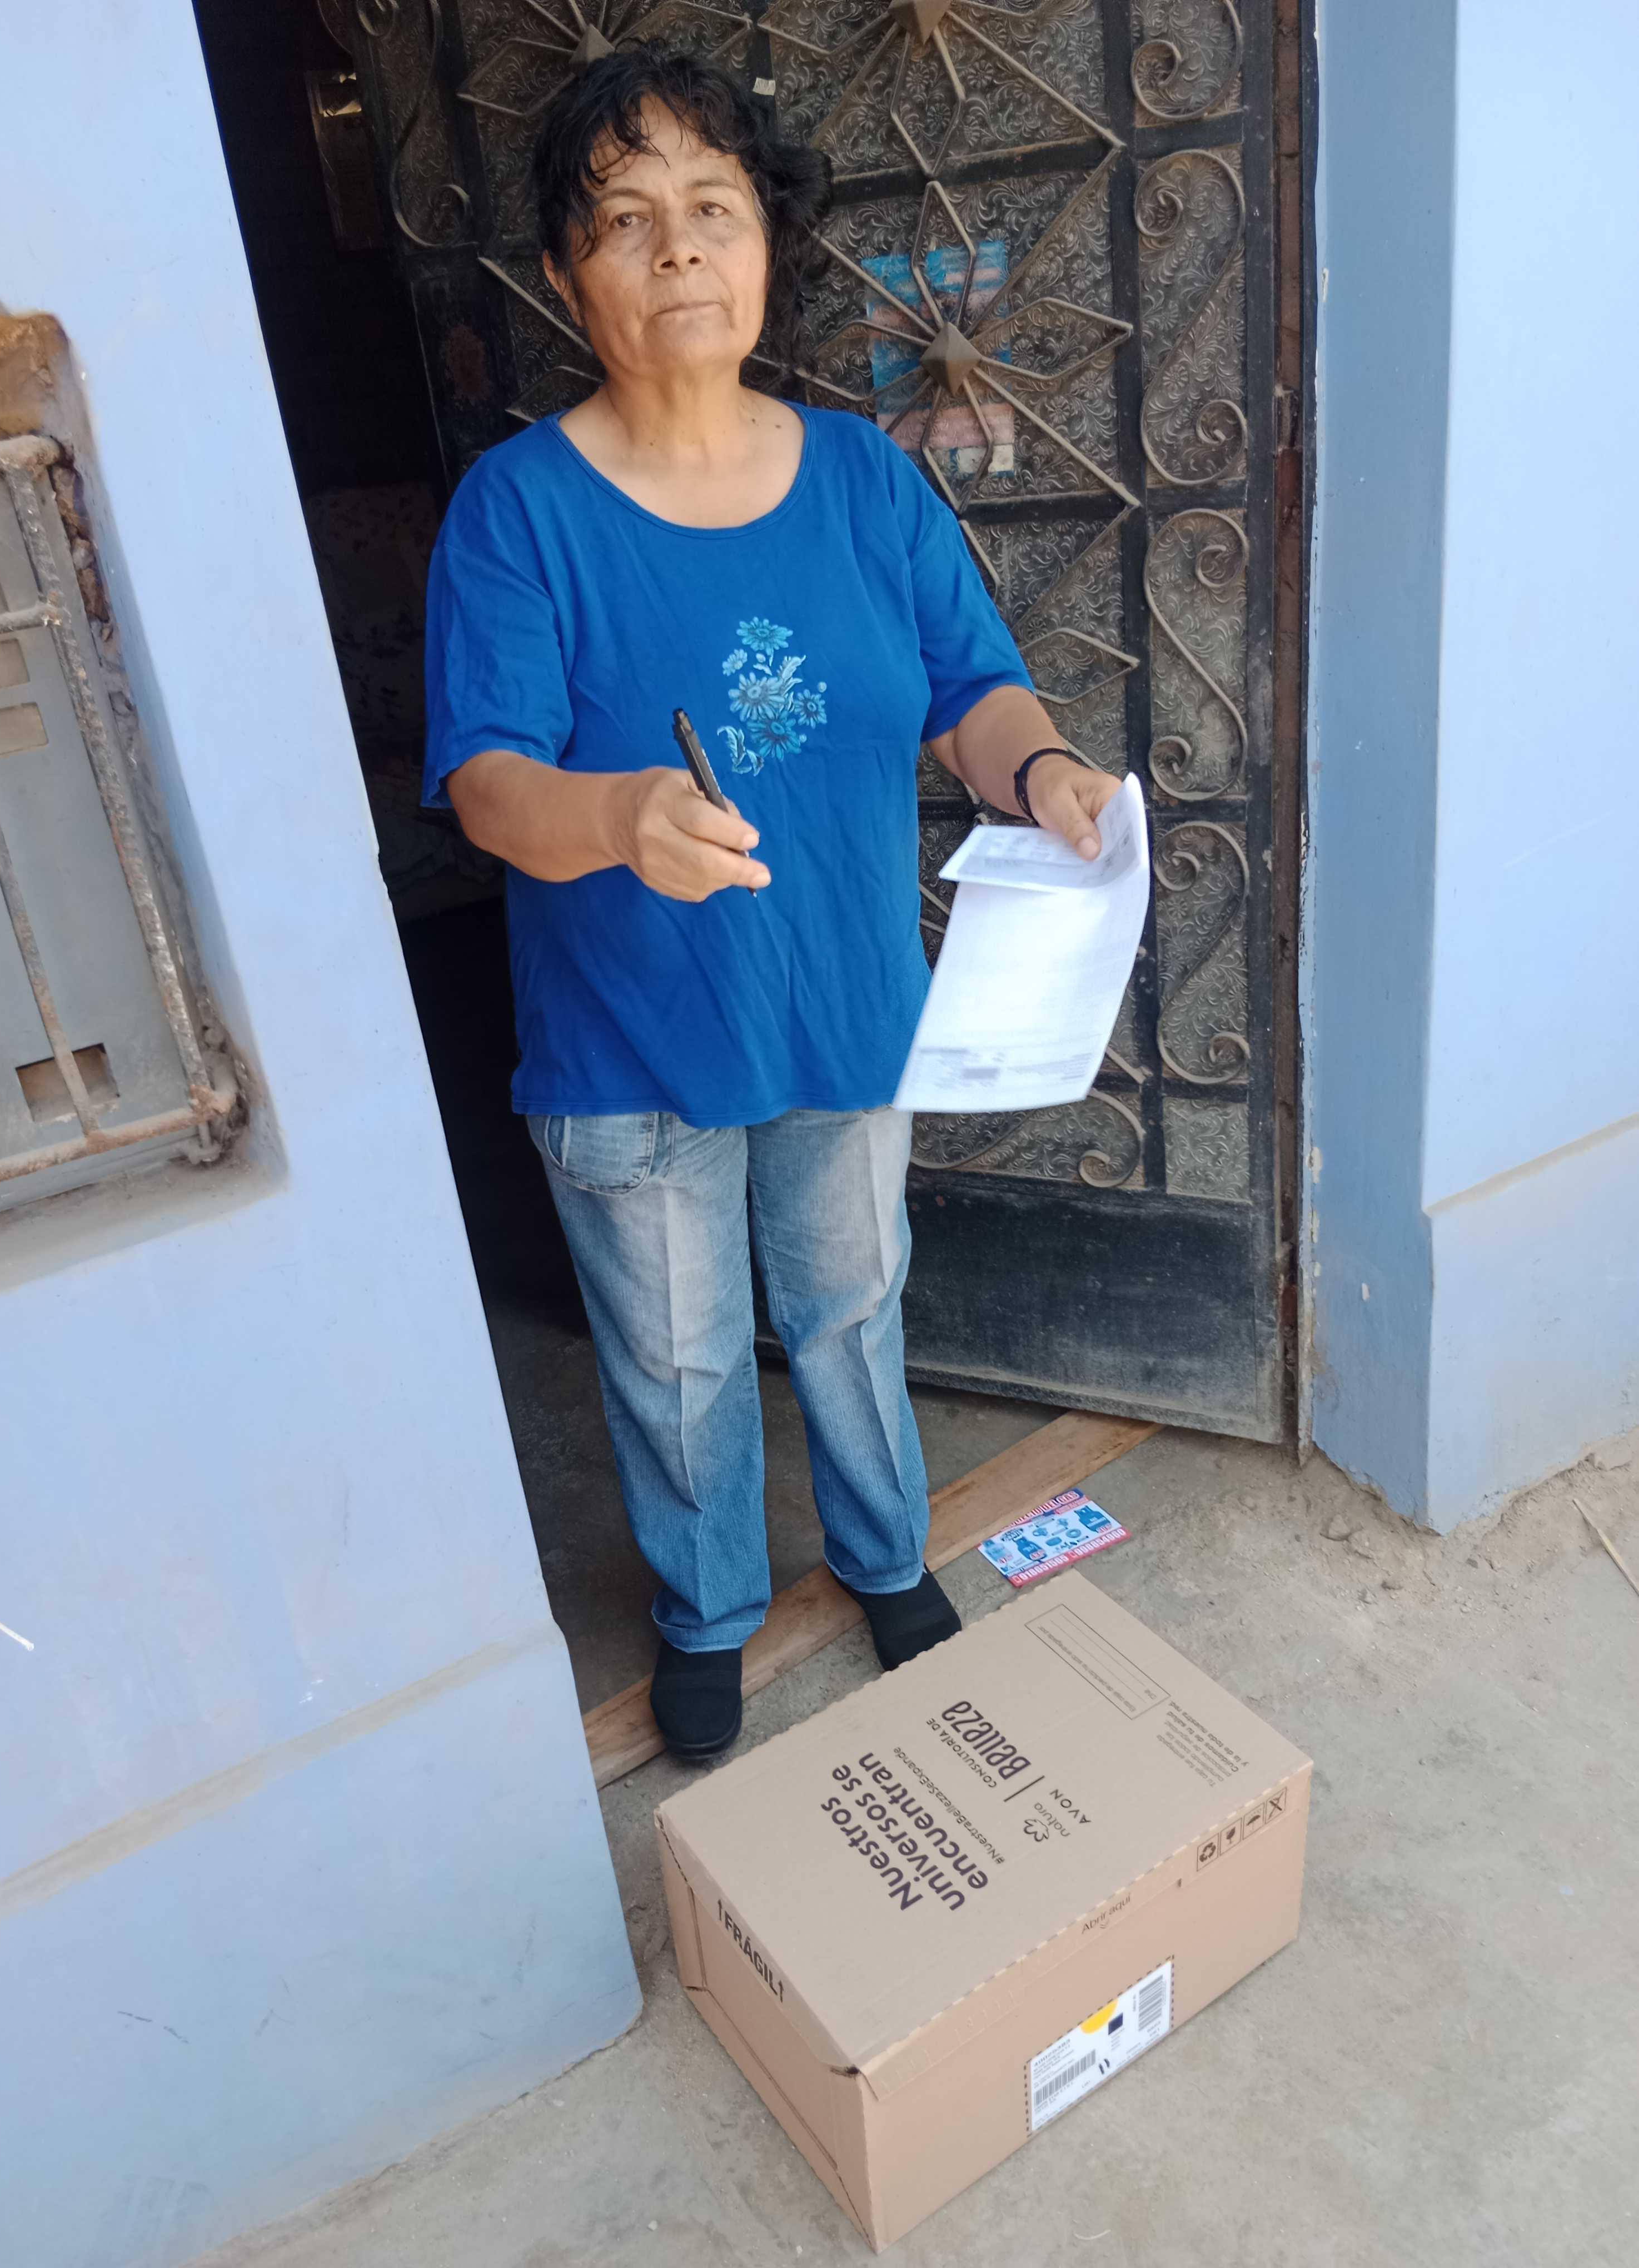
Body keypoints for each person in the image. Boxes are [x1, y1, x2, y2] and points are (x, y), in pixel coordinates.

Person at [424, 46, 1120, 1760]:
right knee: (675, 1362)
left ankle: (884, 1556)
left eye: (711, 207)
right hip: (630, 1037)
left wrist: (1043, 775)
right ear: (567, 273)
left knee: (850, 1306)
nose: (677, 248)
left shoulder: (866, 480)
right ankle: (707, 1611)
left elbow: (972, 688)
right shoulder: (519, 512)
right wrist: (620, 813)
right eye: (624, 219)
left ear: (763, 244)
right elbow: (489, 783)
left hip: (841, 1004)